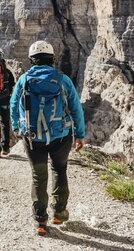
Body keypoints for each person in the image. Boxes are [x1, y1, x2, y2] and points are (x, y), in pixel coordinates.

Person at [10, 40, 85, 236]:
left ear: (32, 60)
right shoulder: (62, 79)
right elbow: (76, 108)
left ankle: (40, 221)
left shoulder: (24, 80)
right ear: (52, 59)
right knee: (60, 170)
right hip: (61, 136)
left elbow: (13, 104)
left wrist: (17, 127)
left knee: (38, 177)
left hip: (33, 138)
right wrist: (80, 134)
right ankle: (59, 213)